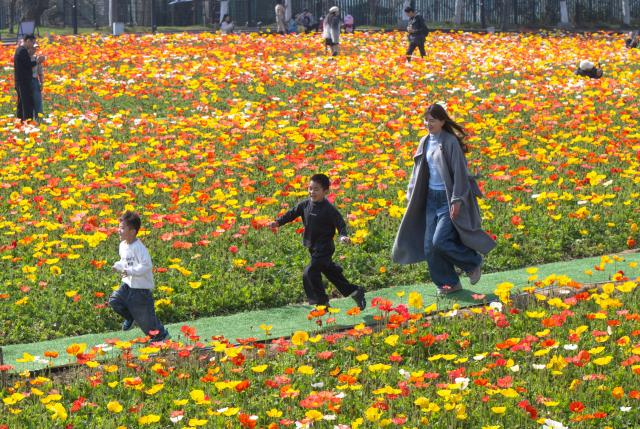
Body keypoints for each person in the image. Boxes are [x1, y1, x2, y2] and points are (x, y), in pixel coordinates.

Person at [392, 104, 496, 295]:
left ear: (442, 121)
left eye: (432, 120)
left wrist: (456, 200)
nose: (428, 124)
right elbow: (417, 170)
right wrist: (411, 193)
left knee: (440, 240)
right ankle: (449, 283)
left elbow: (460, 173)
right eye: (426, 120)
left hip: (448, 199)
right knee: (430, 247)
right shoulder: (424, 141)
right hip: (431, 199)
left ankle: (472, 262)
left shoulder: (450, 142)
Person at [268, 174, 366, 310]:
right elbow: (291, 213)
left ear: (325, 192)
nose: (312, 192)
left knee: (310, 272)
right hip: (313, 246)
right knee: (331, 273)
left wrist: (343, 236)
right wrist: (278, 222)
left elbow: (340, 223)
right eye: (310, 188)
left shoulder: (329, 209)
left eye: (316, 189)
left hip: (325, 248)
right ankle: (355, 291)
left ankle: (322, 303)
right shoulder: (305, 204)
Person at [109, 211, 169, 341]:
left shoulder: (139, 248)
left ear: (132, 231)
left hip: (141, 289)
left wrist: (130, 271)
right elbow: (124, 262)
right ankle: (130, 317)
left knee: (146, 320)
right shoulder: (122, 245)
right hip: (127, 284)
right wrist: (118, 265)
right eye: (119, 227)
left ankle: (162, 336)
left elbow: (146, 266)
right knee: (115, 301)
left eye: (122, 228)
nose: (119, 231)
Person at [14, 34, 43, 121]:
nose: (33, 45)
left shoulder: (20, 50)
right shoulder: (22, 51)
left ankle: (20, 120)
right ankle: (28, 122)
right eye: (32, 42)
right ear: (28, 41)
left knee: (21, 103)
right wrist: (37, 62)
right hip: (23, 82)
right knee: (26, 103)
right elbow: (27, 65)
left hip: (20, 81)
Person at [28, 43, 44, 120]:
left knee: (37, 101)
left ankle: (39, 120)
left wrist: (41, 83)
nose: (34, 50)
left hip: (35, 81)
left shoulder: (37, 58)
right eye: (33, 48)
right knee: (28, 103)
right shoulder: (25, 58)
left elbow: (40, 72)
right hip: (26, 81)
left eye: (35, 48)